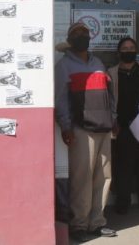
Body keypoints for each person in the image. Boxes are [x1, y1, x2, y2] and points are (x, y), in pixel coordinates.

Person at [55, 22, 118, 242]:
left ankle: (97, 222)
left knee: (104, 175)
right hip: (81, 129)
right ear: (70, 40)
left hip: (103, 126)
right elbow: (61, 99)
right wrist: (65, 125)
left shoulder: (98, 62)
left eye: (85, 33)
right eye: (77, 34)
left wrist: (114, 118)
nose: (83, 37)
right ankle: (79, 224)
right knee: (82, 179)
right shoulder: (64, 66)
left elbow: (109, 94)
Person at [108, 37, 139, 214]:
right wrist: (113, 122)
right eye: (125, 48)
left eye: (132, 48)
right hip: (122, 125)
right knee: (123, 165)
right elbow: (108, 99)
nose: (128, 51)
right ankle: (123, 202)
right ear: (119, 52)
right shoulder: (112, 73)